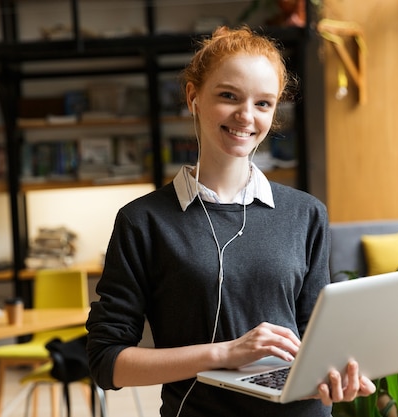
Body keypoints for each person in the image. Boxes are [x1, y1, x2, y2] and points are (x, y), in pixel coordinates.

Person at [86, 25, 376, 417]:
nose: (246, 116)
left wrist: (337, 375)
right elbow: (107, 362)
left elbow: (313, 339)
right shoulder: (144, 222)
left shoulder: (306, 213)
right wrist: (224, 353)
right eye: (228, 96)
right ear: (194, 97)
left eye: (263, 103)